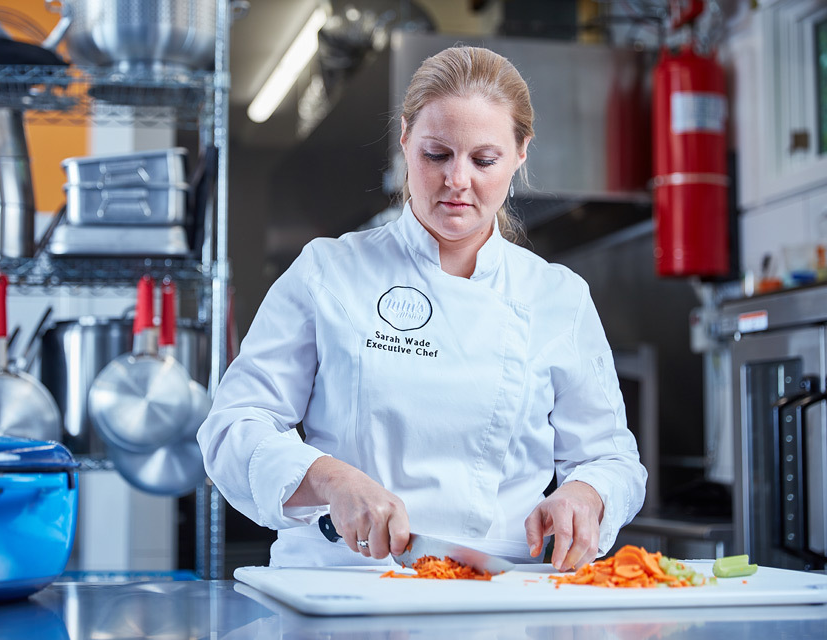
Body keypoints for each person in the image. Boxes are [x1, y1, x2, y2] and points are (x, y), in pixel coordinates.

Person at [197, 45, 646, 572]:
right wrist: (331, 479)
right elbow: (233, 428)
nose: (458, 180)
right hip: (341, 587)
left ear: (521, 154)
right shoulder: (329, 271)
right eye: (437, 154)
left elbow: (611, 458)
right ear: (406, 140)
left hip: (491, 597)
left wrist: (586, 496)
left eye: (484, 160)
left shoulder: (557, 298)